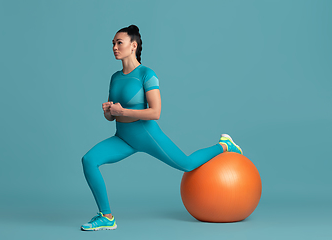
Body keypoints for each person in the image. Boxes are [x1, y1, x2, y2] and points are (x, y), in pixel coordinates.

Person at [80, 25, 243, 231]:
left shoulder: (147, 74)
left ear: (133, 46)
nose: (114, 47)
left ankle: (224, 145)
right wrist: (109, 112)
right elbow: (112, 117)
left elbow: (155, 112)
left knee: (187, 164)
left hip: (146, 134)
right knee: (89, 160)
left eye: (119, 42)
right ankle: (106, 216)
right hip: (122, 138)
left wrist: (123, 112)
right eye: (112, 43)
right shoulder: (115, 77)